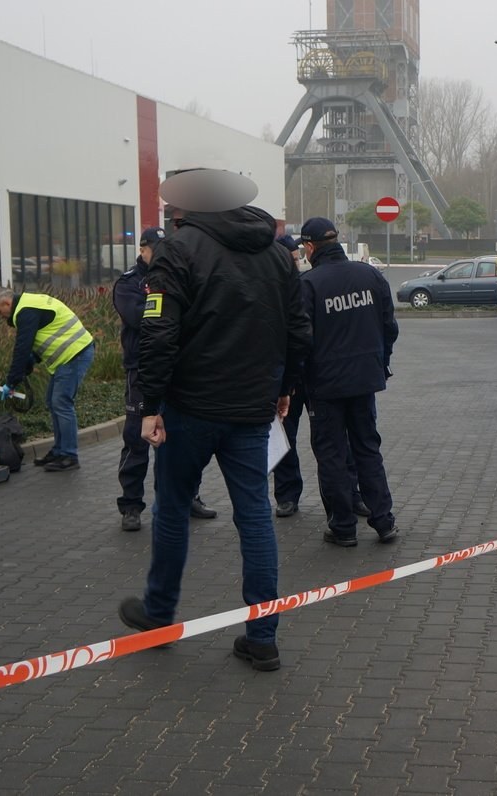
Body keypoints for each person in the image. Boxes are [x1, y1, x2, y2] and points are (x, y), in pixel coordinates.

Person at [119, 181, 310, 673]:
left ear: (192, 207)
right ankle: (262, 637)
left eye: (172, 207)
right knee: (255, 516)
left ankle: (159, 616)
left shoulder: (177, 251)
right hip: (252, 408)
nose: (170, 214)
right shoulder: (275, 255)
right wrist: (284, 388)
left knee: (173, 507)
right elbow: (298, 329)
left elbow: (158, 333)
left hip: (190, 408)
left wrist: (149, 404)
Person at [298, 217, 399, 547]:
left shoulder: (309, 284)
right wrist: (379, 363)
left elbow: (300, 339)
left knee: (332, 456)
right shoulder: (370, 275)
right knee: (368, 449)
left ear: (310, 247)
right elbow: (389, 327)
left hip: (325, 388)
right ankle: (383, 521)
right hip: (364, 381)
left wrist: (295, 382)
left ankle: (343, 527)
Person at [112, 227, 216, 532]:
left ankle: (188, 496)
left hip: (177, 368)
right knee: (136, 438)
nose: (159, 253)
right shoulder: (129, 282)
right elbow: (138, 317)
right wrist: (171, 311)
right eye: (154, 248)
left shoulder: (178, 275)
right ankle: (131, 504)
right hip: (141, 369)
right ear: (143, 249)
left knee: (182, 438)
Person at [272, 233, 369, 521]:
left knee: (338, 440)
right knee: (284, 439)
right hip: (286, 378)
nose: (294, 263)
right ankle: (287, 496)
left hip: (318, 375)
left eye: (296, 258)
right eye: (289, 259)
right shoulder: (269, 288)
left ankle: (351, 495)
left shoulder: (310, 283)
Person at [0, 286, 94, 472]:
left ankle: (69, 456)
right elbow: (44, 336)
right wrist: (28, 365)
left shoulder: (25, 311)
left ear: (7, 303)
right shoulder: (28, 304)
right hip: (70, 356)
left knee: (61, 403)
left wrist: (11, 381)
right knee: (53, 402)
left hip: (75, 354)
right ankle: (59, 451)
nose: (0, 316)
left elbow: (22, 347)